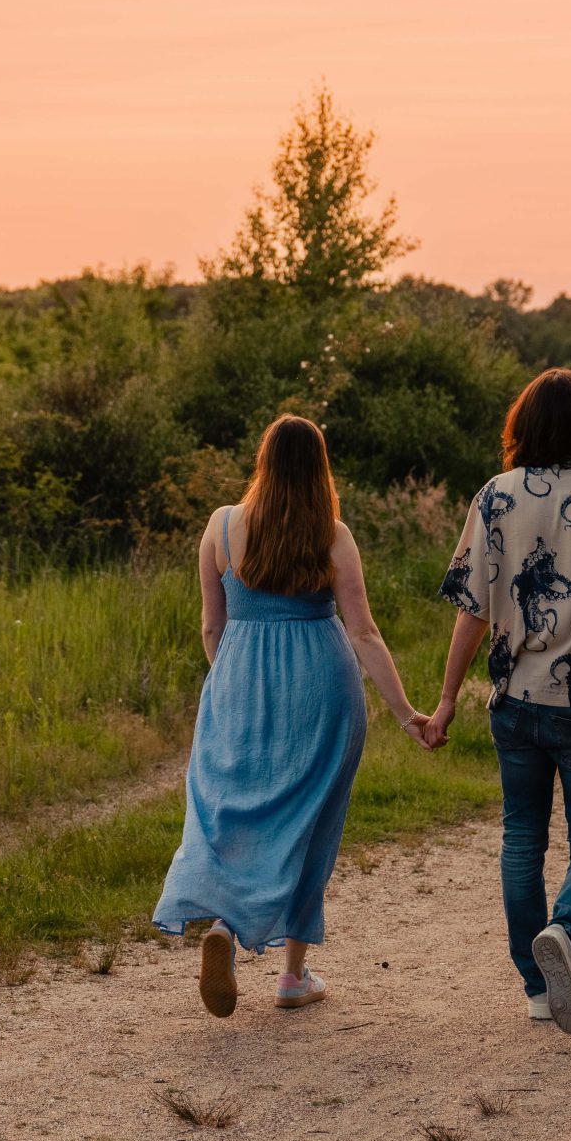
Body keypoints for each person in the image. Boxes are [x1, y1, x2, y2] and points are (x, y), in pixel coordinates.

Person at [153, 414, 434, 1017]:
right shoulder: (332, 534)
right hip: (321, 688)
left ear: (264, 462)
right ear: (320, 469)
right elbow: (363, 630)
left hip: (240, 684)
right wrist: (408, 712)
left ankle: (225, 927)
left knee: (229, 807)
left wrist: (231, 677)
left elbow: (210, 624)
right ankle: (292, 976)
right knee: (308, 821)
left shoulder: (222, 527)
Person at [421, 369, 571, 1034]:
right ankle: (566, 929)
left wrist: (446, 700)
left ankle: (537, 987)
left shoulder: (495, 496)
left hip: (516, 701)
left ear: (521, 427)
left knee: (522, 838)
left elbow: (472, 611)